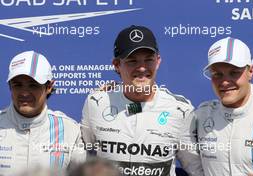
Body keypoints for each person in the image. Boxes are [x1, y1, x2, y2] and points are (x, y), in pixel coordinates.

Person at [81, 25, 203, 176]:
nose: (142, 68)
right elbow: (82, 159)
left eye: (148, 60)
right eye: (132, 61)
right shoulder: (96, 103)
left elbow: (195, 169)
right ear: (117, 65)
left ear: (158, 61)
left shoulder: (180, 110)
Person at [0, 51, 85, 175]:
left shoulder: (69, 130)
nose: (24, 93)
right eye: (18, 85)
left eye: (33, 85)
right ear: (10, 87)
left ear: (49, 86)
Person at [196, 37, 253, 175]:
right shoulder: (200, 116)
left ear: (251, 71)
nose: (225, 82)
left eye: (234, 72)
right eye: (217, 74)